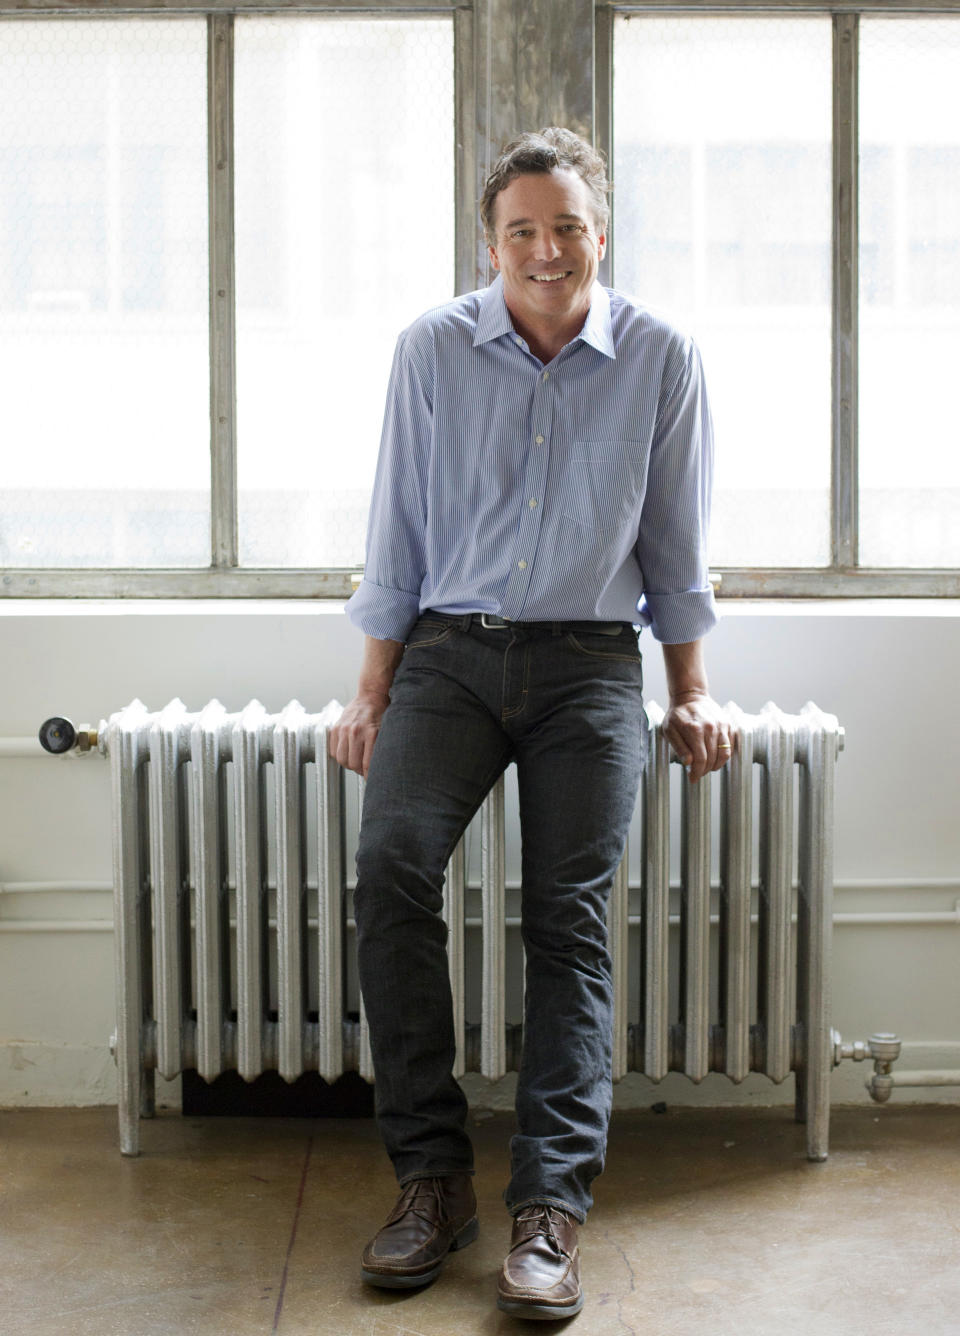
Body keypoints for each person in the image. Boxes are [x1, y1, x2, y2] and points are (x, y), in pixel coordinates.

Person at [329, 126, 732, 1321]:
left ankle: (548, 1209)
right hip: (448, 658)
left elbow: (675, 543)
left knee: (568, 916)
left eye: (567, 228)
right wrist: (371, 687)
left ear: (599, 233)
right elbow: (397, 528)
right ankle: (430, 1180)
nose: (547, 251)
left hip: (590, 668)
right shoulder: (431, 348)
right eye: (523, 230)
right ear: (491, 238)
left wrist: (693, 688)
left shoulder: (660, 355)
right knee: (390, 867)